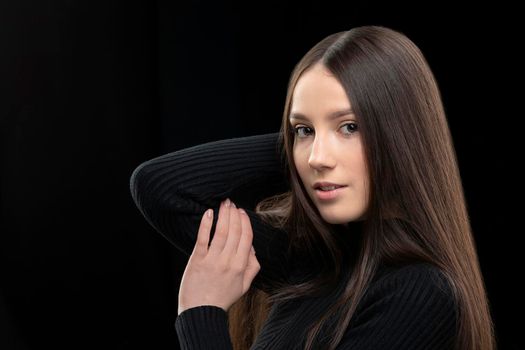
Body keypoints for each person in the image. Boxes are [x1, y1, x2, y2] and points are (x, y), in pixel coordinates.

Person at [129, 25, 495, 350]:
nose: (317, 158)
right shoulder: (309, 259)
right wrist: (306, 139)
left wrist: (201, 313)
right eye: (303, 130)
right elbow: (160, 186)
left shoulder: (420, 295)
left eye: (350, 127)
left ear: (403, 135)